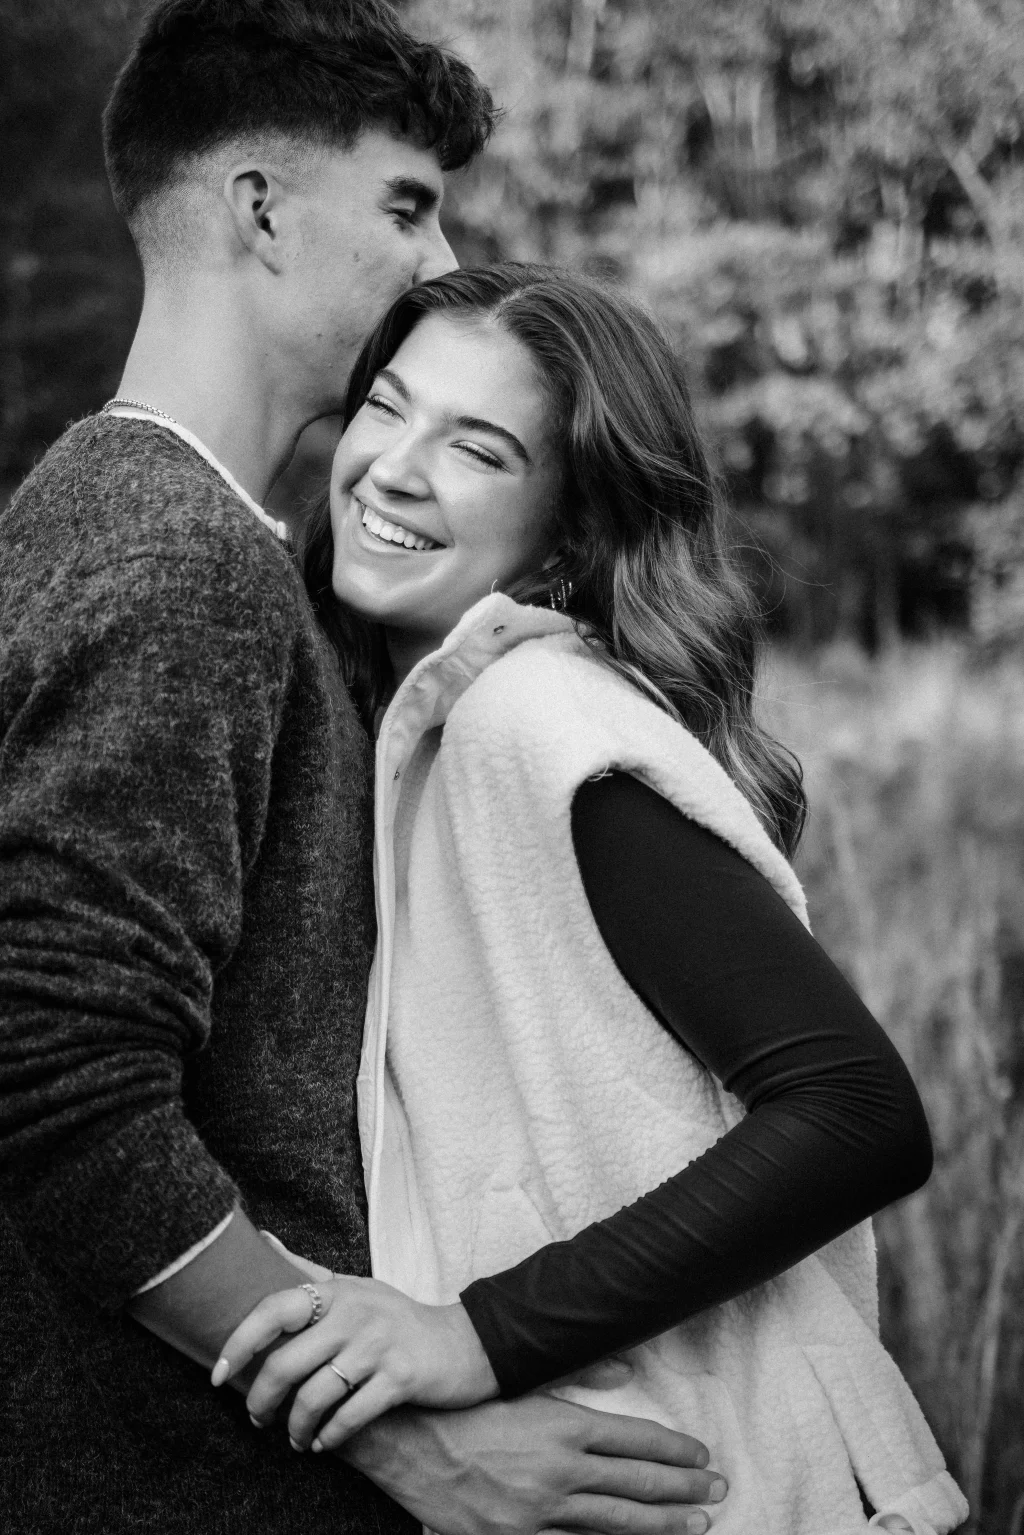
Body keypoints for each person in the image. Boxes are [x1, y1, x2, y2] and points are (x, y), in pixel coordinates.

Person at [0, 8, 724, 1534]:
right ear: (261, 207)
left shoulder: (124, 523)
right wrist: (397, 1428)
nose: (433, 254)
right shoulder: (173, 559)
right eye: (405, 202)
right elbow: (52, 1070)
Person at [216, 265, 970, 1535]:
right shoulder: (423, 734)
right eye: (387, 408)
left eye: (477, 449)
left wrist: (477, 1336)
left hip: (741, 1484)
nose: (394, 468)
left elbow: (858, 1111)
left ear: (566, 535)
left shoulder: (537, 717)